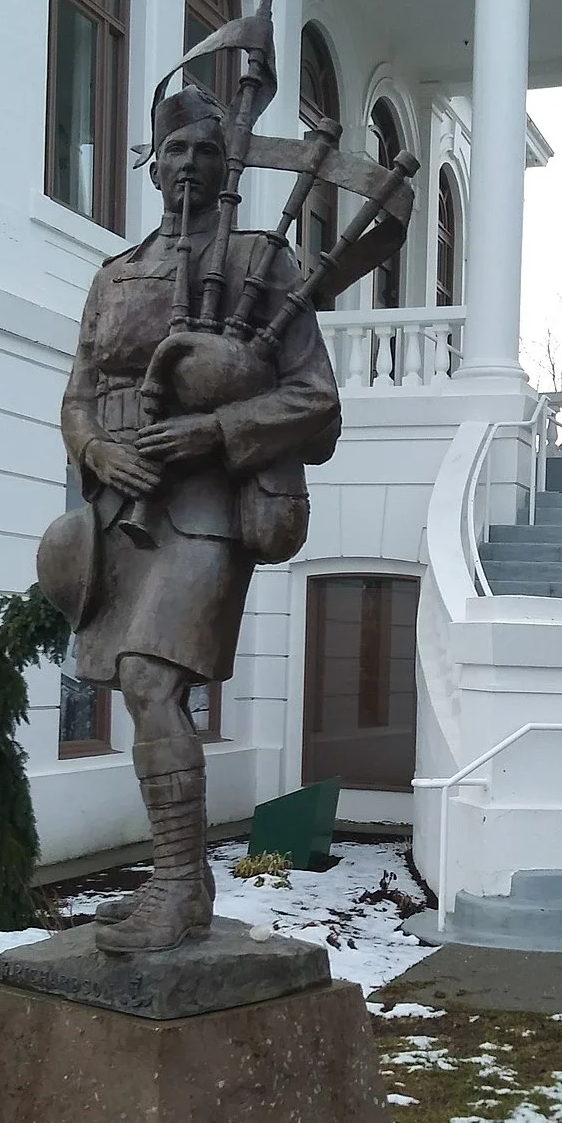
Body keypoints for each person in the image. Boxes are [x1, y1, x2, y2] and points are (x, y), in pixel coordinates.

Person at [56, 82, 340, 953]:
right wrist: (97, 452)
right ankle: (176, 881)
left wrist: (213, 428)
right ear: (151, 163)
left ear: (230, 168)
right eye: (172, 150)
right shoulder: (115, 274)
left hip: (207, 510)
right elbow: (77, 395)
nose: (187, 166)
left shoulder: (263, 266)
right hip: (119, 511)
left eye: (205, 152)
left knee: (151, 680)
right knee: (140, 695)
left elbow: (317, 403)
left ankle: (179, 885)